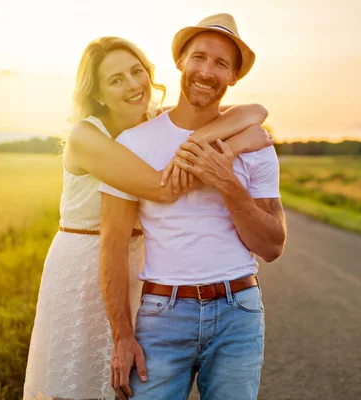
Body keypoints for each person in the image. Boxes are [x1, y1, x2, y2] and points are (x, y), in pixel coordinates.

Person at [23, 35, 273, 400]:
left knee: (125, 382)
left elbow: (255, 113)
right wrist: (229, 149)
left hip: (139, 262)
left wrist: (223, 141)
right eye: (116, 79)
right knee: (80, 379)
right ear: (97, 93)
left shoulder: (154, 123)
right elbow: (163, 187)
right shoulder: (86, 135)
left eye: (136, 71)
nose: (133, 84)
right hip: (84, 262)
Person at [99, 13, 287, 400]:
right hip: (161, 316)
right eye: (199, 57)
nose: (207, 71)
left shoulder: (254, 145)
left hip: (239, 312)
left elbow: (271, 246)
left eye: (221, 63)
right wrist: (122, 336)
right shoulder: (135, 144)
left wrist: (227, 183)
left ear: (234, 77)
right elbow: (112, 246)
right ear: (181, 61)